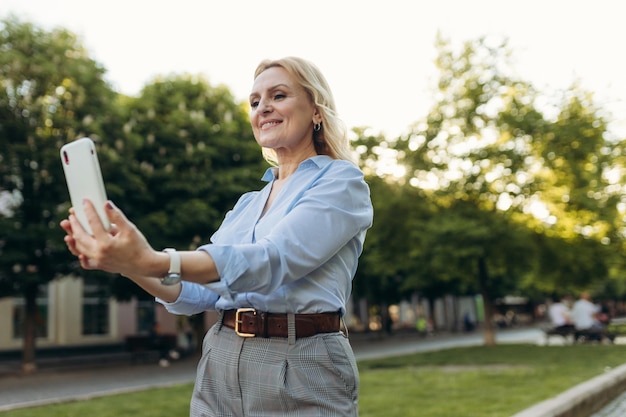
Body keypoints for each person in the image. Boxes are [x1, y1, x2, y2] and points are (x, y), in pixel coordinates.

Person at [61, 56, 373, 417]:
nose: (263, 108)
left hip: (300, 360)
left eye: (278, 95)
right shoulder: (247, 204)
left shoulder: (341, 182)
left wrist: (151, 259)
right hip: (220, 358)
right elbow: (198, 291)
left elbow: (272, 262)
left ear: (316, 111)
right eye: (255, 102)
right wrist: (125, 263)